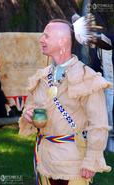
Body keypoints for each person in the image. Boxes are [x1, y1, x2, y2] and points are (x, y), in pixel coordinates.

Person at [19, 19, 111, 185]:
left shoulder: (88, 78)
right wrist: (28, 115)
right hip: (45, 160)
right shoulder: (41, 76)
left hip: (73, 163)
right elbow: (31, 106)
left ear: (62, 42)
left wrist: (91, 161)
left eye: (46, 36)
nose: (41, 39)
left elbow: (99, 124)